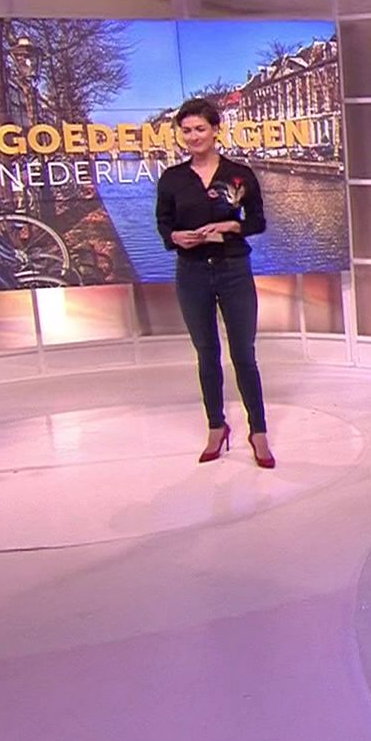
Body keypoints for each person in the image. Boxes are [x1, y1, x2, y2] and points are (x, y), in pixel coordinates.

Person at [154, 97, 275, 469]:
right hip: (192, 273)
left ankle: (258, 432)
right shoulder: (173, 178)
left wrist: (232, 225)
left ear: (215, 130)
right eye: (187, 130)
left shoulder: (239, 175)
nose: (193, 137)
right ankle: (216, 426)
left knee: (243, 354)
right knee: (206, 353)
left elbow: (258, 221)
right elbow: (163, 223)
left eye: (200, 129)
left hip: (233, 270)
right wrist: (175, 238)